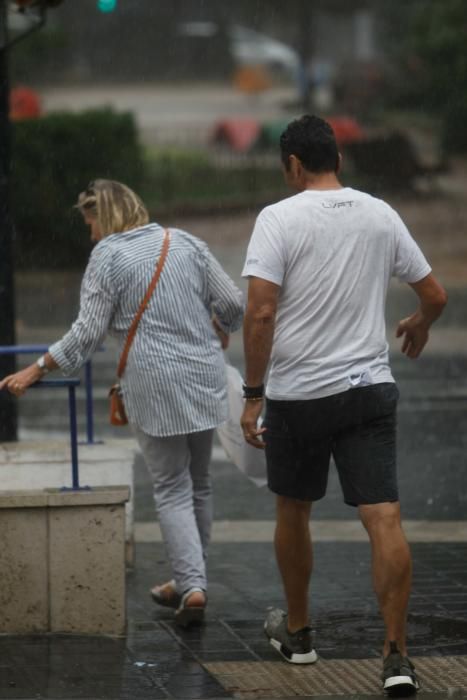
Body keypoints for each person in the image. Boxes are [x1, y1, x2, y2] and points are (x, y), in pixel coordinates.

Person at [240, 116, 447, 695]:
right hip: (368, 392)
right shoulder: (379, 213)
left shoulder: (278, 218)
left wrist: (252, 396)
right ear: (338, 160)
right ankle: (397, 657)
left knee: (294, 509)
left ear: (294, 166)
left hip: (298, 396)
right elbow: (434, 294)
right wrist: (420, 322)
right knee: (383, 518)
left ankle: (300, 634)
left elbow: (260, 314)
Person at [0, 179, 244, 627]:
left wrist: (37, 369)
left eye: (92, 223)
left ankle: (192, 585)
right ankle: (192, 579)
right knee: (200, 480)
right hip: (204, 373)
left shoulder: (107, 256)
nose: (91, 234)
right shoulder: (184, 241)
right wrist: (221, 324)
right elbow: (231, 301)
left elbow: (87, 331)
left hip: (155, 383)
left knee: (171, 485)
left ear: (106, 218)